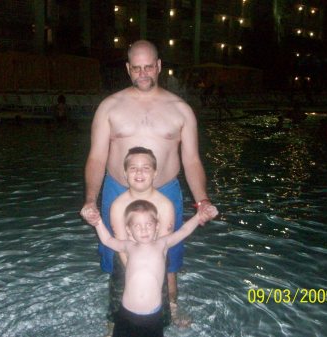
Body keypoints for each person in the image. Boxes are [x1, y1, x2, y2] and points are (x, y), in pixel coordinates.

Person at [80, 39, 218, 323]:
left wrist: (202, 200)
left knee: (169, 258)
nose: (143, 73)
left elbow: (191, 160)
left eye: (149, 67)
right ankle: (115, 318)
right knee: (119, 258)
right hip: (118, 190)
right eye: (137, 68)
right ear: (128, 69)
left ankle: (172, 308)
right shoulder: (109, 107)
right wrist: (91, 200)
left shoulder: (180, 109)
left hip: (165, 192)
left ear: (159, 66)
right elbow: (96, 157)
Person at [87, 199, 215, 337]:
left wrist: (198, 216)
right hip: (126, 313)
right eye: (137, 225)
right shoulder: (128, 246)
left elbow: (184, 231)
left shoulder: (162, 244)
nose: (144, 229)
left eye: (149, 224)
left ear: (157, 226)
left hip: (153, 316)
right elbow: (107, 240)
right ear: (129, 230)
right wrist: (98, 221)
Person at [107, 147, 175, 326]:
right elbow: (120, 242)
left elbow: (164, 246)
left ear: (155, 173)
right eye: (133, 168)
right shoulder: (118, 205)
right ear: (125, 173)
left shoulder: (165, 205)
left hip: (155, 261)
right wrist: (133, 270)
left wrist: (150, 273)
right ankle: (113, 323)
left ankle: (166, 316)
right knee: (119, 295)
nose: (139, 172)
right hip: (126, 258)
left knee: (158, 300)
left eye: (146, 168)